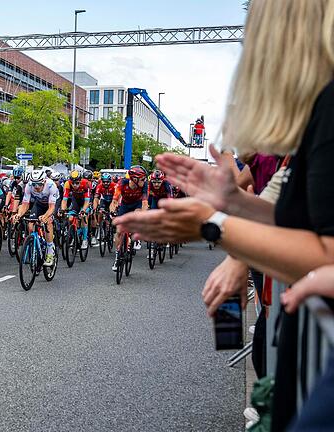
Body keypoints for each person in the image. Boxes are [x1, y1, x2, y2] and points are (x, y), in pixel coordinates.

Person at [113, 2, 334, 428]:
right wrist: (231, 201)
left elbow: (326, 249)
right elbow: (282, 210)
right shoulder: (306, 126)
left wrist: (213, 228)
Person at [13, 170, 59, 266]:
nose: (36, 187)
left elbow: (51, 208)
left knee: (48, 222)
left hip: (52, 204)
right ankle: (34, 245)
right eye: (34, 184)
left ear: (44, 181)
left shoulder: (51, 185)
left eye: (39, 184)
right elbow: (25, 204)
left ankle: (50, 252)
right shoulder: (29, 186)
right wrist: (19, 214)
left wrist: (45, 216)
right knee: (30, 225)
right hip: (39, 204)